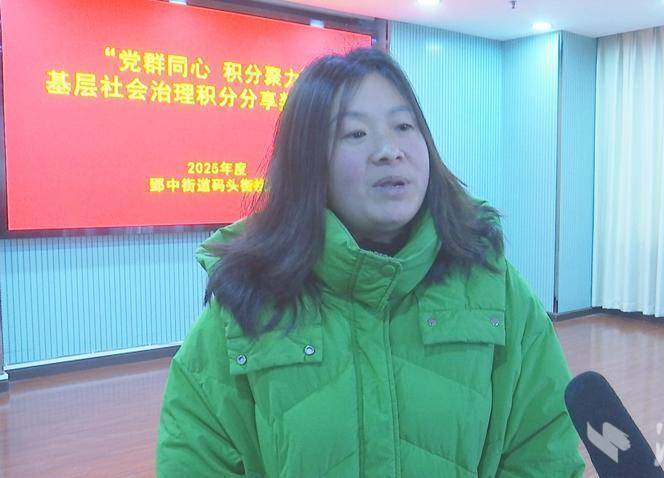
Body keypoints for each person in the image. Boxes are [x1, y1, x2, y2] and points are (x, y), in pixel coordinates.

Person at [156, 47, 585, 477]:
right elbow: (197, 457)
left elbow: (542, 448)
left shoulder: (492, 286)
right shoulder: (245, 305)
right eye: (355, 134)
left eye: (403, 126)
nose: (388, 150)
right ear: (308, 162)